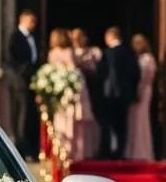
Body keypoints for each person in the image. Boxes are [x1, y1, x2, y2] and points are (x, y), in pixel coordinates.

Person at [46, 28, 92, 162]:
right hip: (72, 89)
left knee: (61, 120)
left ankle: (62, 150)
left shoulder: (52, 53)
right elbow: (73, 68)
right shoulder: (68, 51)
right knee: (75, 121)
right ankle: (76, 152)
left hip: (60, 90)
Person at [97, 26, 140, 159]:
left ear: (110, 37)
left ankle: (107, 152)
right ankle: (120, 152)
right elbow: (136, 73)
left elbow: (101, 73)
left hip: (109, 94)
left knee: (108, 124)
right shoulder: (129, 52)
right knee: (122, 125)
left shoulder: (107, 53)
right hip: (124, 94)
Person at [5, 9, 40, 158]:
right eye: (31, 21)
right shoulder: (15, 37)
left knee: (30, 116)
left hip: (32, 82)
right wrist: (24, 71)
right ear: (23, 20)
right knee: (21, 116)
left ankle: (30, 147)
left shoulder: (35, 38)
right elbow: (11, 58)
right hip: (20, 82)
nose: (34, 24)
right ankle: (21, 148)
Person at [70, 28, 102, 157]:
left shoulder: (91, 51)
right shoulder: (71, 52)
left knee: (85, 117)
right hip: (74, 85)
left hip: (86, 85)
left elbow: (94, 69)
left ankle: (85, 149)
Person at [126, 34, 158, 161]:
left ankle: (142, 152)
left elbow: (147, 76)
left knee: (141, 121)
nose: (136, 46)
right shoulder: (135, 58)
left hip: (144, 91)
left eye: (139, 43)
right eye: (134, 43)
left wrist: (139, 89)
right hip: (136, 91)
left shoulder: (148, 58)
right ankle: (132, 151)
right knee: (133, 121)